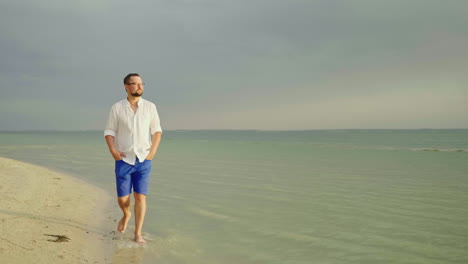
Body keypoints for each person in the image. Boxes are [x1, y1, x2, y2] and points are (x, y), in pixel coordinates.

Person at [104, 73, 162, 245]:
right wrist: (113, 150)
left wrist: (152, 152)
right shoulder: (117, 108)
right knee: (123, 199)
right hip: (123, 159)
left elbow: (157, 131)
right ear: (126, 87)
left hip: (144, 159)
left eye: (141, 83)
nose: (139, 86)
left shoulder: (151, 107)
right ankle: (126, 214)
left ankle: (138, 233)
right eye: (135, 84)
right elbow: (109, 131)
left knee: (140, 197)